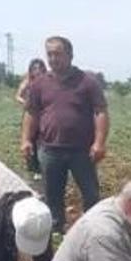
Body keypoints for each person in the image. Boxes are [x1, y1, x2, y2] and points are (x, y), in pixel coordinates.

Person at [22, 36, 109, 234]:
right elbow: (31, 113)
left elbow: (100, 112)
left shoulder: (87, 82)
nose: (53, 58)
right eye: (49, 54)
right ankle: (56, 230)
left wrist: (99, 142)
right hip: (50, 150)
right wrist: (26, 139)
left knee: (90, 193)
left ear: (70, 55)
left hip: (82, 150)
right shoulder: (39, 84)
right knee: (52, 195)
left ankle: (93, 230)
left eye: (58, 54)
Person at [16, 58, 48, 179]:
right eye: (34, 68)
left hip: (44, 114)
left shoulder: (48, 81)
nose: (37, 70)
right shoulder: (27, 82)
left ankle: (44, 165)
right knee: (31, 140)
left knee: (43, 139)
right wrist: (24, 102)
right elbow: (18, 96)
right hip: (30, 114)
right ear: (31, 70)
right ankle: (35, 168)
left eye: (40, 68)